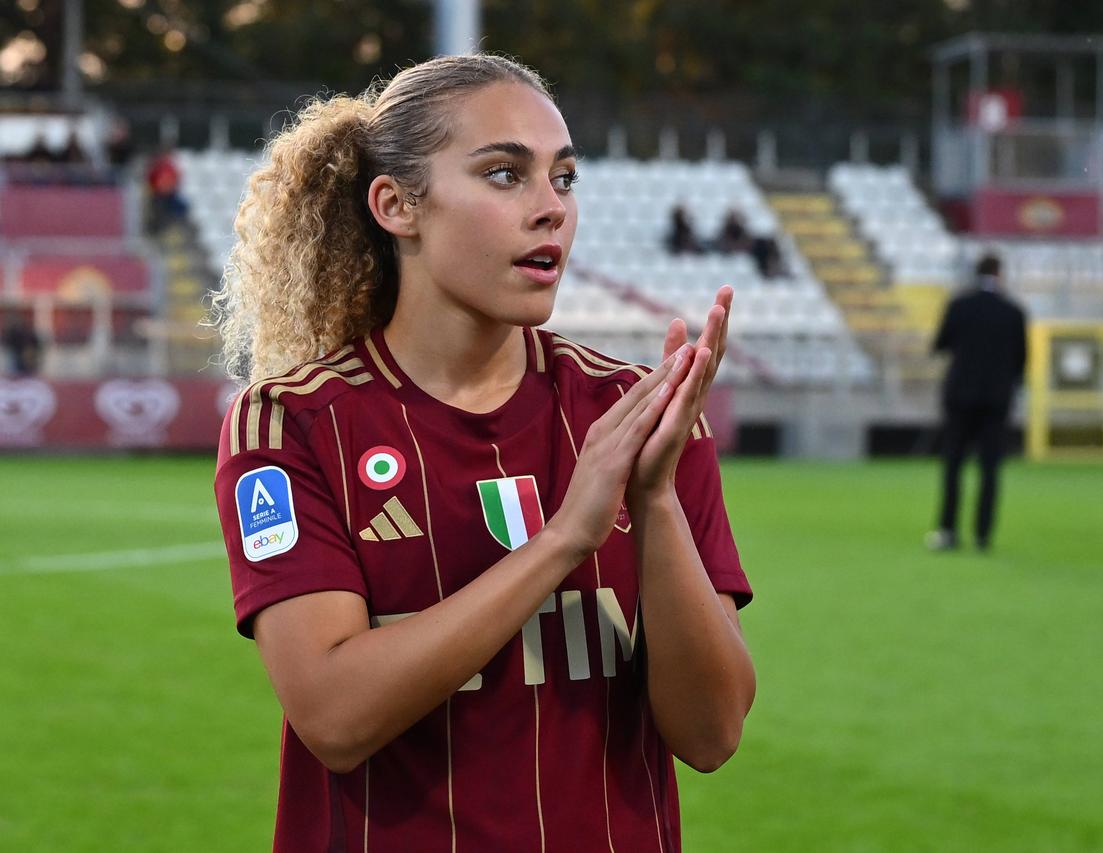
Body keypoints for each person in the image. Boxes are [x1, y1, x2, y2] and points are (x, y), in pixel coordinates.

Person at [208, 54, 755, 852]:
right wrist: (567, 536)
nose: (550, 211)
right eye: (505, 175)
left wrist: (657, 502)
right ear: (397, 206)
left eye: (564, 179)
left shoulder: (637, 417)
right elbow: (334, 714)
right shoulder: (290, 424)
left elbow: (711, 735)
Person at [927, 253, 1027, 552]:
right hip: (996, 399)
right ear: (1000, 273)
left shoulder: (960, 305)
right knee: (990, 469)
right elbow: (1022, 360)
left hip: (960, 396)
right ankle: (983, 535)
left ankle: (948, 530)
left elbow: (939, 344)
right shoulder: (1013, 311)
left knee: (953, 465)